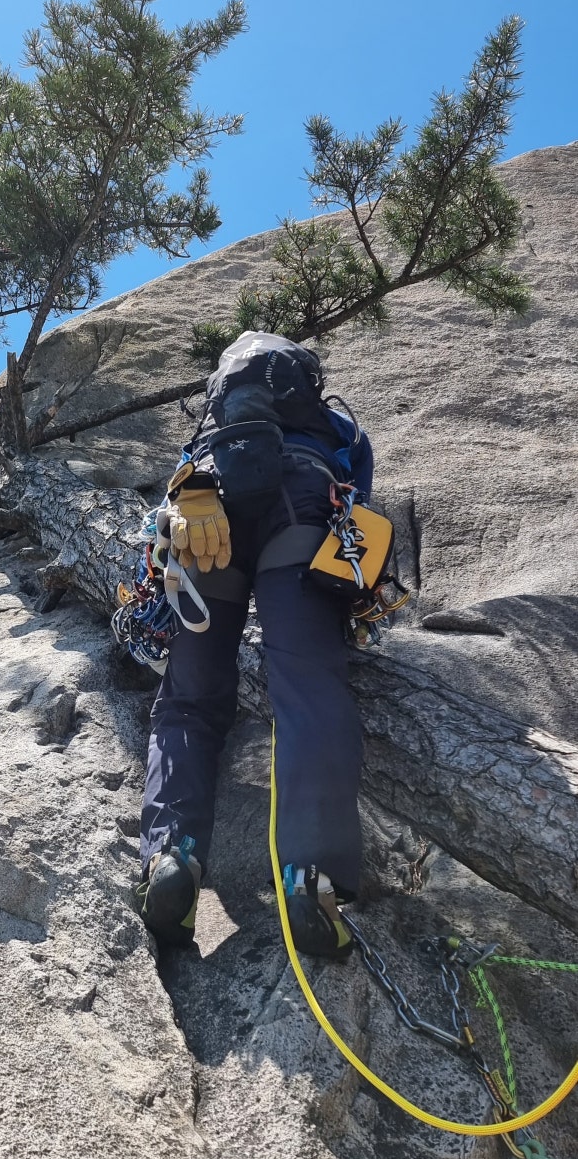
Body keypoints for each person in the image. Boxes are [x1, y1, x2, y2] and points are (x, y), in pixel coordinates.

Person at [137, 331, 373, 961]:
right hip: (301, 508)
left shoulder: (211, 432)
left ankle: (172, 858)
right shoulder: (334, 424)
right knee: (307, 689)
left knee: (187, 700)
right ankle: (309, 878)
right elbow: (359, 500)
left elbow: (165, 505)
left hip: (208, 517)